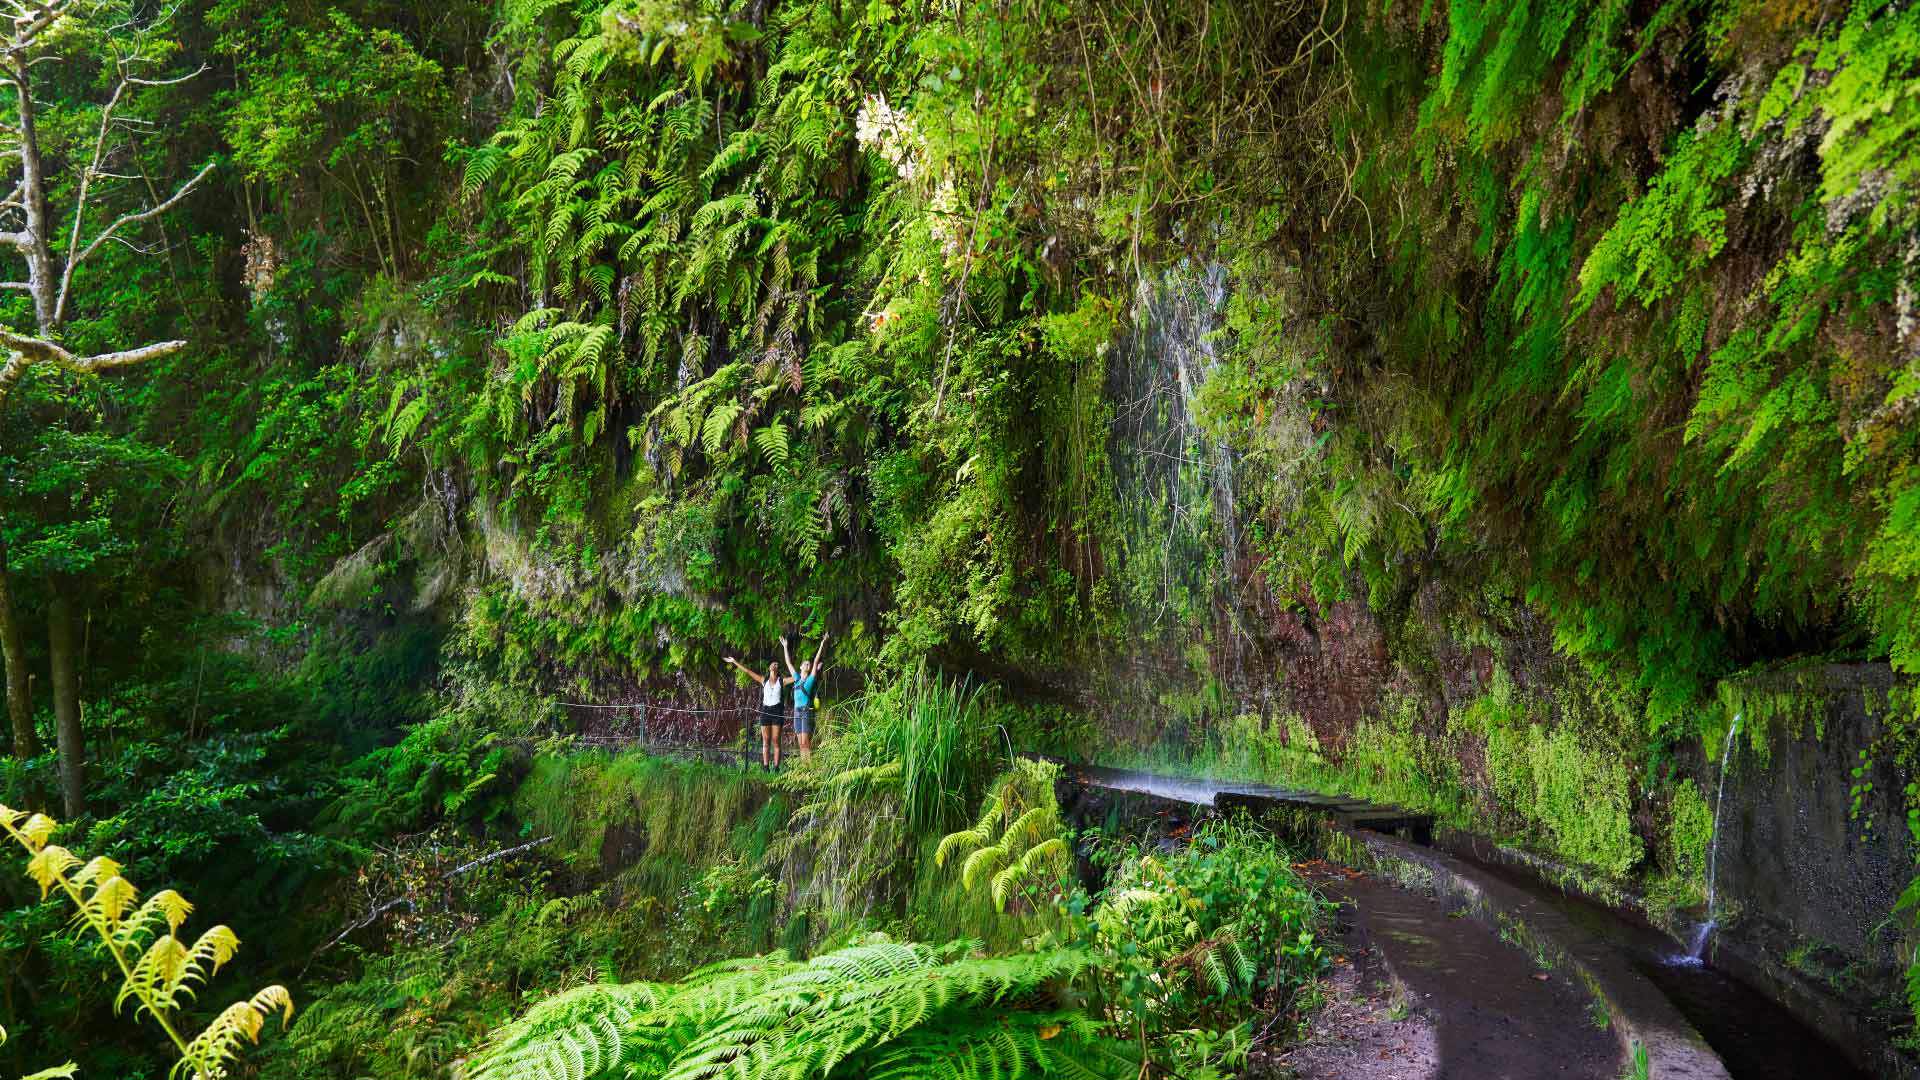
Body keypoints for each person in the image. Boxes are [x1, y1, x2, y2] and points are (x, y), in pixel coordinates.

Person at [724, 655, 788, 770]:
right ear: (769, 667)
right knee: (766, 740)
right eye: (773, 663)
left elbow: (797, 677)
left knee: (776, 740)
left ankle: (776, 767)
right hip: (765, 711)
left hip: (777, 711)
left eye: (776, 664)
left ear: (778, 668)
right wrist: (734, 661)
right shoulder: (764, 680)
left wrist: (810, 670)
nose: (775, 665)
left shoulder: (781, 681)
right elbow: (748, 672)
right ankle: (766, 767)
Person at [780, 632, 830, 761]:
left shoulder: (810, 680)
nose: (808, 665)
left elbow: (816, 661)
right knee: (800, 743)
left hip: (806, 711)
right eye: (805, 664)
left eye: (809, 664)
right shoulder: (796, 679)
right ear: (801, 666)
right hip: (796, 712)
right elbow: (788, 663)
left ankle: (808, 765)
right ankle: (804, 765)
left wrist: (822, 643)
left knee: (805, 741)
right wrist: (785, 646)